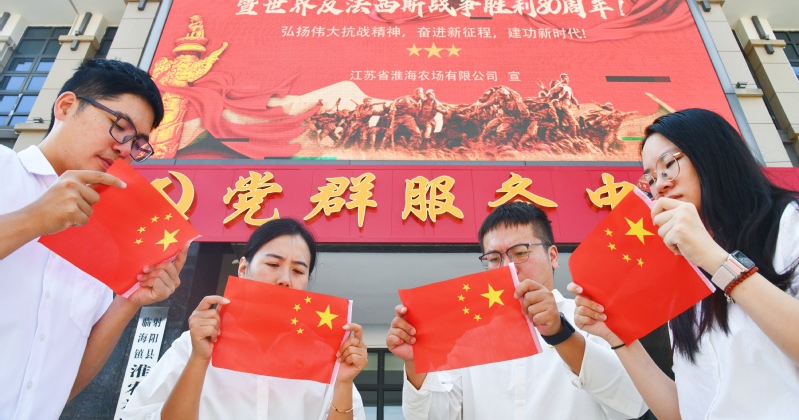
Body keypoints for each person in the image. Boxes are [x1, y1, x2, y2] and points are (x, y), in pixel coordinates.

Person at [571, 108, 799, 419]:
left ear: (713, 155)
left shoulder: (785, 223)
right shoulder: (682, 270)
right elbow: (683, 409)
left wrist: (715, 259)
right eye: (651, 178)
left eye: (668, 165)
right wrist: (618, 338)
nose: (659, 186)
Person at [0, 58, 187, 419]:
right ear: (66, 106)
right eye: (120, 127)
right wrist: (33, 219)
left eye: (138, 143)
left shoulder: (106, 235)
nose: (125, 150)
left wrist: (132, 299)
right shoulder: (4, 169)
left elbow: (65, 382)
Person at [387, 201, 648, 419]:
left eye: (520, 253)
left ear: (553, 256)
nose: (507, 268)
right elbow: (434, 416)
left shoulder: (589, 317)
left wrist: (560, 333)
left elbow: (633, 402)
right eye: (494, 258)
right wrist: (415, 362)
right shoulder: (467, 336)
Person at [122, 218, 368, 419]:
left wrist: (343, 383)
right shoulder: (192, 345)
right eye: (273, 264)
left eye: (298, 270)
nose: (285, 279)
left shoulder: (326, 357)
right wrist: (199, 359)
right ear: (243, 268)